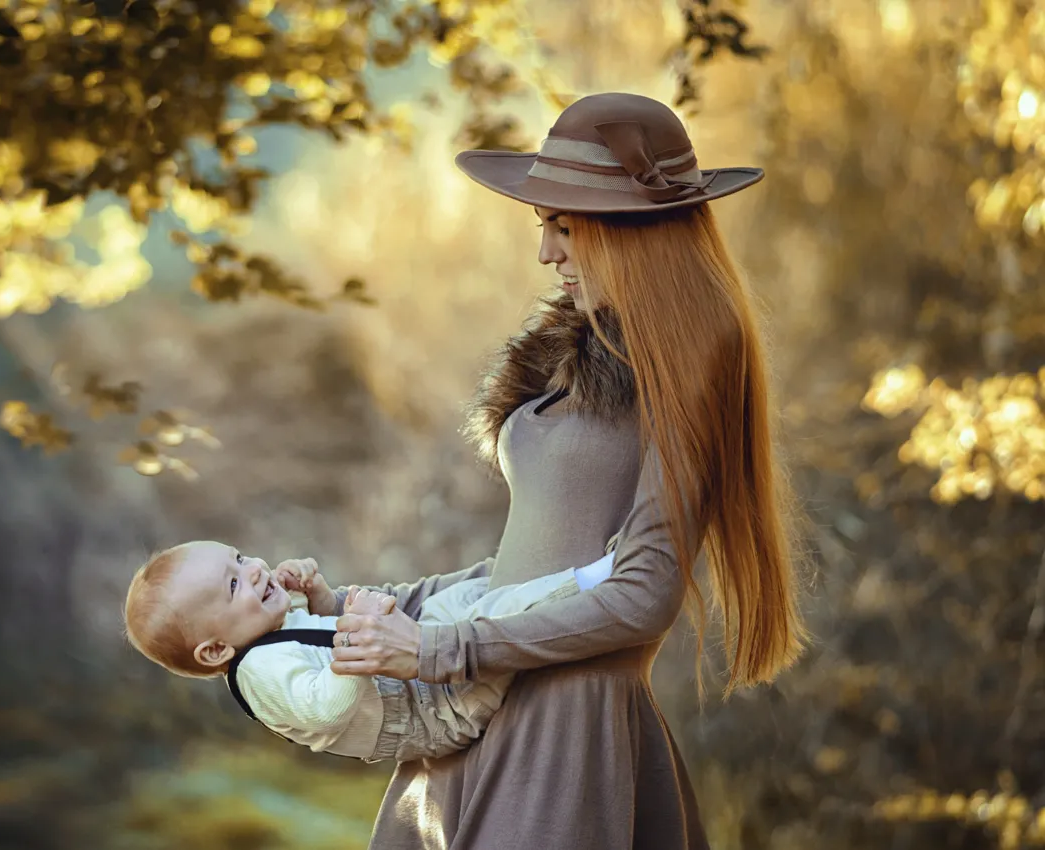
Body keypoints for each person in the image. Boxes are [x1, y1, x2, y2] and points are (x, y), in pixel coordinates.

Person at [327, 92, 809, 849]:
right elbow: (536, 567)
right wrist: (350, 605)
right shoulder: (578, 348)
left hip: (565, 730)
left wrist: (443, 652)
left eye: (564, 227)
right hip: (481, 708)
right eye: (543, 227)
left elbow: (643, 593)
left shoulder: (691, 356)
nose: (546, 253)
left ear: (629, 232)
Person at [122, 540, 618, 762]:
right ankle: (599, 580)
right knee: (491, 615)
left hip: (423, 682)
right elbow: (327, 707)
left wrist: (321, 597)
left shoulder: (270, 629)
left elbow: (318, 630)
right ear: (213, 651)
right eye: (234, 584)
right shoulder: (259, 673)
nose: (254, 569)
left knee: (457, 599)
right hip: (437, 713)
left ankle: (554, 565)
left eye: (240, 556)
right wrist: (358, 632)